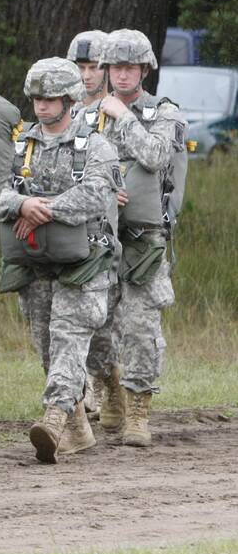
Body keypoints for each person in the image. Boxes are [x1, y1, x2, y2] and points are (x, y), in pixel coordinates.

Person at [0, 57, 120, 464]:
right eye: (36, 98)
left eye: (50, 99)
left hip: (85, 265)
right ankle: (78, 426)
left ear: (69, 100)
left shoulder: (95, 144)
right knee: (46, 344)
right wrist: (23, 202)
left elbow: (97, 193)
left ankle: (53, 418)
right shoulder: (20, 144)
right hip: (36, 264)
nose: (41, 106)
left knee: (68, 336)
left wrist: (44, 208)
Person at [96, 29, 186, 447]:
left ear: (145, 70)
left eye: (130, 67)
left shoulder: (164, 114)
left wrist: (123, 116)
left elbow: (155, 156)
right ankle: (109, 388)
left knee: (141, 328)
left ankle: (137, 409)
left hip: (143, 240)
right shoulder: (86, 115)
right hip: (97, 239)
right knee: (92, 324)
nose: (123, 74)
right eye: (116, 67)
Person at [67, 30, 124, 428]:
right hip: (70, 225)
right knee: (74, 315)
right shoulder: (61, 110)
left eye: (93, 68)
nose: (86, 76)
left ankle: (111, 382)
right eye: (81, 67)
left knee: (104, 321)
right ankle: (84, 388)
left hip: (114, 227)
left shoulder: (119, 114)